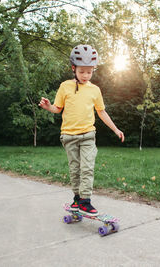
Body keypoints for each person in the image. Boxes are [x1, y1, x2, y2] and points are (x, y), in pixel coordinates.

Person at [39, 44, 124, 216]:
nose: (85, 75)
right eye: (82, 71)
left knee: (87, 168)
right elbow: (58, 108)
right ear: (73, 68)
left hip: (88, 136)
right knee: (75, 169)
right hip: (69, 136)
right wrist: (49, 107)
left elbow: (101, 111)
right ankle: (77, 199)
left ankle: (85, 201)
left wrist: (115, 129)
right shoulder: (65, 87)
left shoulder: (95, 90)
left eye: (89, 71)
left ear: (93, 70)